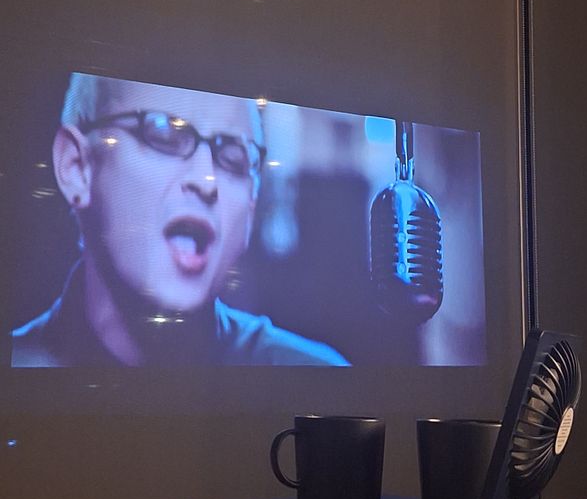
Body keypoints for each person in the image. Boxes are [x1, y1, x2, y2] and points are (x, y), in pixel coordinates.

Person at [11, 73, 349, 366]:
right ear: (76, 167)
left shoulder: (318, 382)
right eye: (163, 133)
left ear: (251, 208)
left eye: (233, 157)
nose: (206, 181)